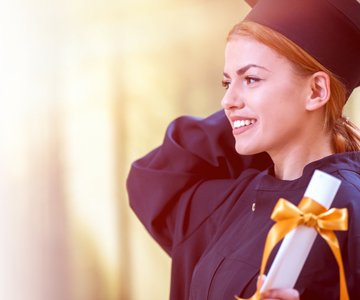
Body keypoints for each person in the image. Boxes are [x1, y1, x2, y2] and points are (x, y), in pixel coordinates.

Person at [127, 0, 360, 299]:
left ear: (316, 91)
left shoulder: (345, 210)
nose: (226, 100)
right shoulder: (240, 198)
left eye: (251, 78)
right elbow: (157, 178)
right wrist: (251, 112)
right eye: (227, 83)